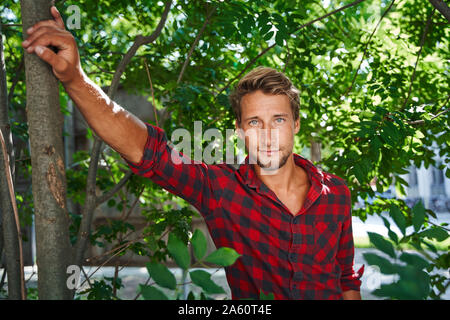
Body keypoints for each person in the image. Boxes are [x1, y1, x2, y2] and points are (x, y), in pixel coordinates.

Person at [22, 6, 364, 300]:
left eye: (278, 119)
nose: (269, 134)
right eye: (255, 122)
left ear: (296, 123)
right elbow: (147, 149)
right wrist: (74, 78)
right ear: (241, 130)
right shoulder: (221, 189)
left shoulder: (336, 193)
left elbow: (345, 277)